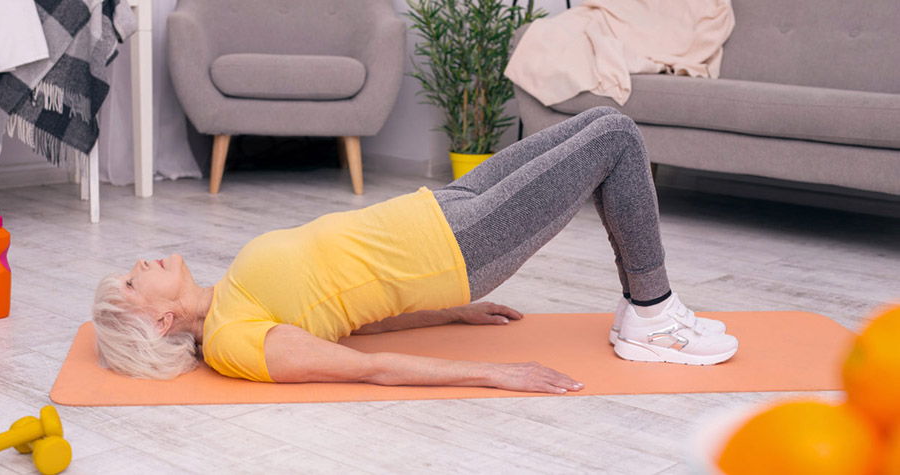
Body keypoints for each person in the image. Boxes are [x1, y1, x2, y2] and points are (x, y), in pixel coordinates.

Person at [92, 107, 738, 394]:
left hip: (446, 207)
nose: (140, 264)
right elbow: (360, 367)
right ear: (160, 320)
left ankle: (643, 313)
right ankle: (652, 314)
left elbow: (348, 315)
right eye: (130, 281)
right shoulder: (232, 342)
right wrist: (493, 374)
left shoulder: (232, 290)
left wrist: (450, 315)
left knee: (600, 120)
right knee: (617, 138)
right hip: (462, 246)